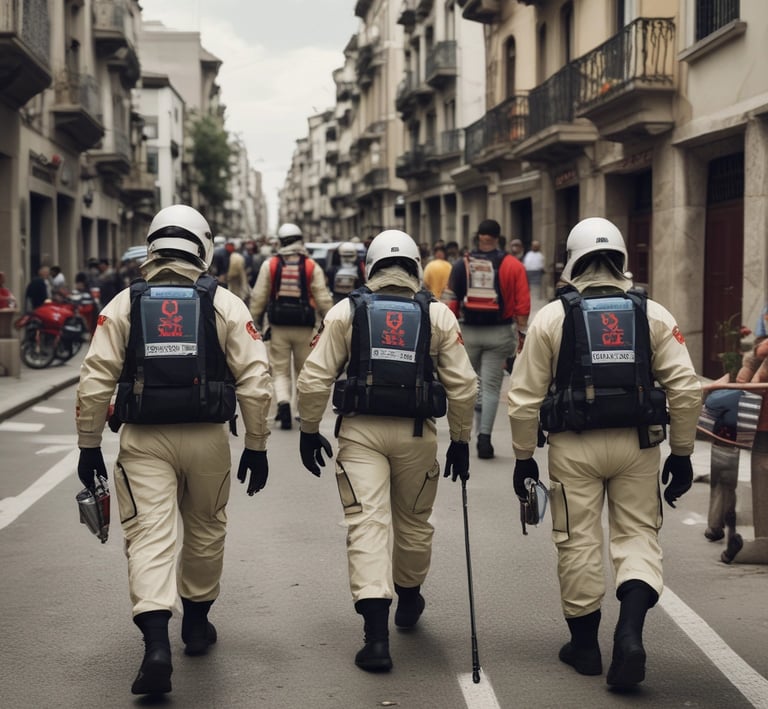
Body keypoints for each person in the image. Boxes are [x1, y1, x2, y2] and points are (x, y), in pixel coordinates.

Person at [75, 204, 272, 696]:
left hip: (142, 440)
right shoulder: (224, 303)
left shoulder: (123, 303)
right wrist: (257, 443)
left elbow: (95, 378)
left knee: (148, 537)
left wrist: (87, 444)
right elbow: (256, 379)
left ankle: (156, 646)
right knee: (206, 529)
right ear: (202, 246)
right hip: (208, 438)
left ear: (152, 245)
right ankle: (196, 625)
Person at [508, 216, 701, 689]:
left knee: (577, 540)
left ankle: (586, 647)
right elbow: (687, 390)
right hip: (638, 446)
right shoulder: (653, 314)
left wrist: (522, 457)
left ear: (572, 259)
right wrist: (681, 453)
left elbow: (523, 397)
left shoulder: (551, 317)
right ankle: (630, 634)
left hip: (573, 447)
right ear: (621, 259)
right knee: (637, 536)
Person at [296, 229, 477, 672]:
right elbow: (464, 384)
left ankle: (375, 638)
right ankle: (409, 596)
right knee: (414, 521)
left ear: (371, 266)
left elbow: (314, 377)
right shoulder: (437, 315)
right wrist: (460, 439)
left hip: (360, 434)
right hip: (417, 435)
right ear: (415, 266)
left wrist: (308, 429)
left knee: (367, 524)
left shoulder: (346, 311)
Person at [446, 218, 530, 458]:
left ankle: (463, 435)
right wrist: (520, 337)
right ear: (498, 236)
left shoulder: (461, 264)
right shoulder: (513, 265)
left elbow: (450, 302)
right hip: (500, 332)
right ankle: (485, 438)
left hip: (468, 332)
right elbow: (522, 306)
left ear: (478, 236)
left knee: (469, 385)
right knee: (491, 387)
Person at [250, 222, 333, 429]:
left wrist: (255, 323)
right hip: (305, 326)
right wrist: (328, 322)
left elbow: (258, 297)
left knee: (279, 370)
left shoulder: (270, 264)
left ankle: (283, 403)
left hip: (278, 327)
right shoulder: (311, 265)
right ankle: (299, 411)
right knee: (304, 370)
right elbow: (322, 297)